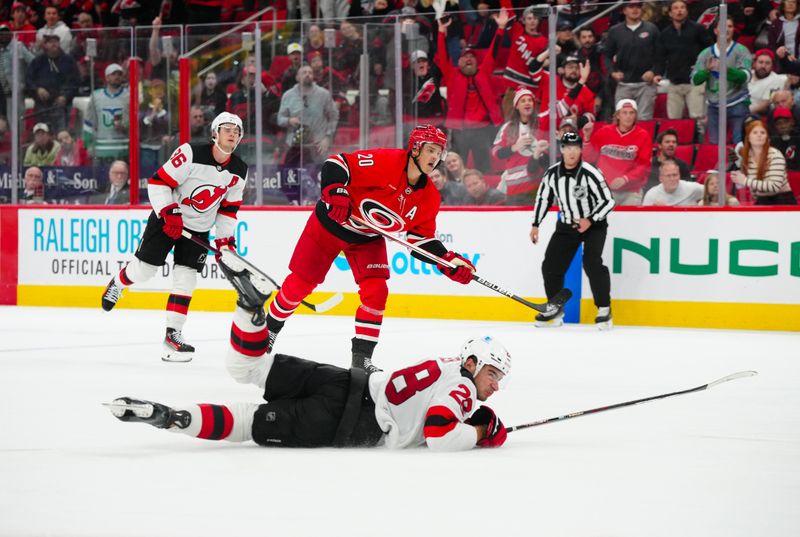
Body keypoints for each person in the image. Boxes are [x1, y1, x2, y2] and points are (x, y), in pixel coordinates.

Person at [106, 265, 511, 451]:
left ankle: (249, 312)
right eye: (493, 372)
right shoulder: (461, 387)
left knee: (245, 367)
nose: (495, 385)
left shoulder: (445, 364)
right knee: (249, 422)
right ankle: (173, 418)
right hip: (346, 421)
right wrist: (481, 431)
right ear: (472, 362)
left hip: (342, 380)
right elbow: (440, 433)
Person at [265, 125, 476, 374]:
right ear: (416, 148)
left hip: (366, 238)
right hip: (329, 225)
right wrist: (336, 192)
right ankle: (268, 330)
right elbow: (336, 164)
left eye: (438, 153)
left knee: (377, 291)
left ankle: (361, 359)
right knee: (299, 285)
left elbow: (420, 240)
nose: (434, 158)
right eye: (430, 150)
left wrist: (448, 261)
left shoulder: (429, 197)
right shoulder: (387, 161)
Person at [100, 112, 249, 362]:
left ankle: (173, 334)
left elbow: (228, 209)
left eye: (236, 130)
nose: (232, 133)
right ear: (215, 133)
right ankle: (118, 282)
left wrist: (225, 241)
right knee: (145, 271)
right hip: (167, 219)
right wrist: (170, 213)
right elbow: (158, 182)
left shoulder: (239, 170)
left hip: (198, 228)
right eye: (226, 128)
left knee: (186, 279)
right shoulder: (191, 152)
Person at [530, 132, 615, 329]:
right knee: (550, 266)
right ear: (561, 150)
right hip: (567, 226)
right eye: (567, 147)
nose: (571, 152)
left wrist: (591, 219)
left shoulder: (590, 173)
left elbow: (609, 201)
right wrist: (535, 224)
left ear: (580, 150)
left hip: (594, 225)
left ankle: (604, 309)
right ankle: (555, 309)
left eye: (575, 148)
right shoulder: (552, 174)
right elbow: (543, 198)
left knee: (592, 263)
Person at [435, 10, 509, 173]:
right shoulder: (452, 75)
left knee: (484, 168)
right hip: (460, 130)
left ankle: (484, 195)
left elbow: (493, 52)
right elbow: (442, 55)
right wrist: (441, 31)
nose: (468, 59)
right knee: (456, 168)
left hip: (482, 129)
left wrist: (501, 28)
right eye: (464, 57)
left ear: (477, 61)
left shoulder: (483, 72)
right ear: (458, 61)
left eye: (472, 57)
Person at [691, 17, 752, 144]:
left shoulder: (742, 50)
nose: (726, 29)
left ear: (733, 30)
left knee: (738, 144)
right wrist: (706, 71)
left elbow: (745, 77)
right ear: (715, 30)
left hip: (737, 103)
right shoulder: (705, 53)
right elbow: (695, 80)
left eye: (729, 26)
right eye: (723, 26)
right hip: (714, 107)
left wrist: (726, 69)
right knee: (714, 145)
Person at [653, 0, 712, 121]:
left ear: (687, 11)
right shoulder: (665, 34)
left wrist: (703, 67)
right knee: (673, 119)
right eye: (675, 8)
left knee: (697, 118)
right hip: (674, 82)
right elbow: (660, 57)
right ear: (670, 13)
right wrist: (658, 73)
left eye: (682, 8)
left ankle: (699, 140)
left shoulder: (698, 29)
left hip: (695, 81)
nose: (679, 10)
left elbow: (709, 50)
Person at [586, 99, 652, 206]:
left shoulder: (643, 135)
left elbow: (644, 166)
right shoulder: (604, 132)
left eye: (632, 113)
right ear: (617, 116)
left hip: (632, 191)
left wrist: (626, 179)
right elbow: (589, 158)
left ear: (635, 116)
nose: (628, 116)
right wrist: (587, 138)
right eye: (624, 113)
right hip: (606, 189)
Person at [491, 87, 549, 205]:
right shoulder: (508, 127)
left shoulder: (541, 122)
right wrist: (514, 147)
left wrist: (581, 82)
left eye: (530, 100)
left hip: (536, 186)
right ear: (516, 106)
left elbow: (559, 109)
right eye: (523, 101)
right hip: (515, 190)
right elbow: (495, 152)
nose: (527, 103)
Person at [603, 1, 660, 120]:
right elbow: (607, 56)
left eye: (638, 6)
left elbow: (661, 55)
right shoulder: (615, 31)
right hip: (624, 84)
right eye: (631, 6)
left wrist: (653, 71)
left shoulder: (651, 29)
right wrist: (612, 72)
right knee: (622, 121)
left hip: (646, 85)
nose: (635, 9)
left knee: (644, 120)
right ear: (624, 10)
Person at [277, 65, 339, 167]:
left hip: (318, 145)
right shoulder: (288, 95)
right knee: (291, 178)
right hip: (295, 146)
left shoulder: (323, 94)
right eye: (304, 72)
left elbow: (334, 116)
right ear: (297, 77)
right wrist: (289, 120)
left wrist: (327, 137)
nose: (307, 75)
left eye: (310, 73)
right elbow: (280, 119)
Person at [732, 119, 798, 204]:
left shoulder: (775, 155)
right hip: (762, 200)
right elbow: (754, 189)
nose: (759, 135)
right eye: (755, 133)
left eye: (762, 133)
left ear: (767, 137)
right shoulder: (747, 159)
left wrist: (745, 181)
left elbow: (774, 186)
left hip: (782, 200)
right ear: (748, 138)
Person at [26, 34, 79, 132]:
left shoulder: (69, 60)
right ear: (45, 45)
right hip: (42, 104)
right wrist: (37, 89)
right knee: (42, 132)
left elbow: (75, 82)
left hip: (62, 104)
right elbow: (29, 80)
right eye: (50, 42)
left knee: (62, 132)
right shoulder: (38, 61)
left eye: (56, 41)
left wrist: (65, 97)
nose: (54, 44)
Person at [83, 63, 129, 163]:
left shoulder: (129, 94)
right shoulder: (96, 96)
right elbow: (89, 122)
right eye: (114, 74)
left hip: (124, 149)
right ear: (107, 77)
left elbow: (135, 120)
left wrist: (125, 126)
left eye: (119, 74)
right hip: (102, 150)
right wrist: (88, 144)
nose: (117, 77)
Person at [748, 49, 789, 116]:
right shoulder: (747, 74)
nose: (763, 66)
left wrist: (742, 112)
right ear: (755, 63)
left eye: (767, 63)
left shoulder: (775, 80)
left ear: (772, 66)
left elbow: (763, 105)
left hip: (754, 114)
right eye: (760, 62)